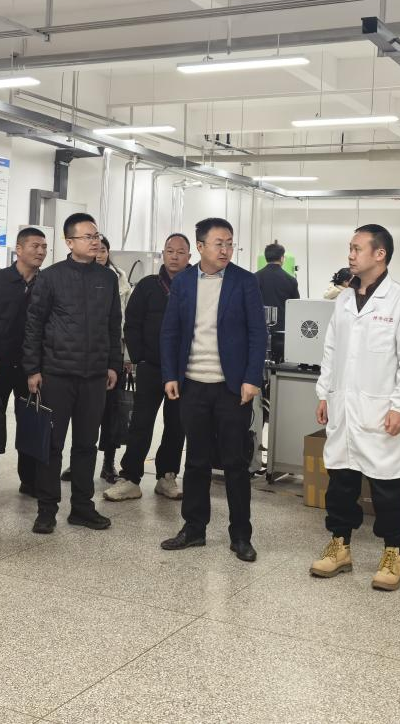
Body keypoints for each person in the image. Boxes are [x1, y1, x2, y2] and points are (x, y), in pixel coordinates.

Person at [309, 225, 400, 592]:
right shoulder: (344, 300)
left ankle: (393, 554)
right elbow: (331, 351)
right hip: (343, 405)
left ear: (380, 254)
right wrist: (324, 393)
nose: (350, 255)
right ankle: (340, 546)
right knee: (341, 481)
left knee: (387, 486)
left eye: (357, 248)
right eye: (350, 248)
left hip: (380, 410)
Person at [159, 217, 266, 563]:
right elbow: (171, 331)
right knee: (196, 461)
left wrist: (252, 378)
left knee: (235, 462)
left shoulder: (245, 282)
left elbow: (257, 334)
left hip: (232, 388)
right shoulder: (184, 282)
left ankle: (241, 535)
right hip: (192, 385)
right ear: (201, 246)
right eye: (219, 243)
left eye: (230, 243)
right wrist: (170, 375)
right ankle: (194, 528)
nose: (225, 250)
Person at [22, 212, 120, 535]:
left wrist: (112, 364)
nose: (95, 242)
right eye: (87, 237)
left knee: (86, 445)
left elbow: (113, 325)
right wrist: (32, 369)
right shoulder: (51, 277)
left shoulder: (107, 279)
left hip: (94, 376)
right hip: (57, 374)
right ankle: (46, 509)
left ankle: (82, 507)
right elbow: (34, 325)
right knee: (51, 445)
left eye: (96, 236)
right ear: (69, 242)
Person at [104, 233, 191, 502]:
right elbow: (131, 323)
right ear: (163, 254)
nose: (174, 256)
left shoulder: (195, 287)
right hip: (151, 367)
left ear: (190, 256)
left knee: (176, 425)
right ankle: (131, 478)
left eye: (180, 252)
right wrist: (139, 357)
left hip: (184, 370)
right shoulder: (147, 286)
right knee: (140, 423)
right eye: (170, 250)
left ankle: (167, 476)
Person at [0, 227, 48, 500]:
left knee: (32, 422)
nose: (41, 251)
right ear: (19, 249)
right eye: (35, 246)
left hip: (32, 367)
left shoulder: (47, 283)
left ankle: (29, 480)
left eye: (44, 247)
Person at [94, 235, 133, 483]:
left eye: (103, 250)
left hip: (114, 351)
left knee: (112, 411)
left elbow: (127, 321)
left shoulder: (120, 279)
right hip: (86, 353)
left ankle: (109, 462)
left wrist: (126, 357)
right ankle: (79, 462)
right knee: (85, 412)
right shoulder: (79, 276)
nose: (99, 254)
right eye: (96, 249)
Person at [256, 241, 300, 362]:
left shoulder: (254, 278)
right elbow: (295, 306)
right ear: (282, 258)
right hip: (281, 332)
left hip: (258, 329)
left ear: (266, 258)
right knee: (279, 363)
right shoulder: (291, 280)